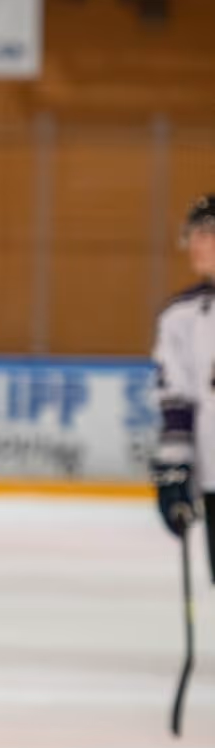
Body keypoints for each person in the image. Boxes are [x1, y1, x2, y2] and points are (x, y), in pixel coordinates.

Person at [152, 193, 215, 581]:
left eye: (206, 234)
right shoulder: (182, 317)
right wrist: (174, 467)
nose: (195, 244)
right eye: (192, 235)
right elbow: (177, 400)